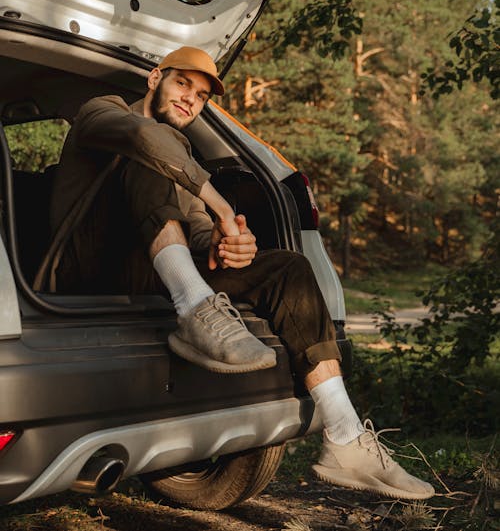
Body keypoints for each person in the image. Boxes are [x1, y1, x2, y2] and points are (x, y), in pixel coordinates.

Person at [43, 46, 434, 500]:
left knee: (289, 269)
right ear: (155, 79)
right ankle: (193, 307)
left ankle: (345, 437)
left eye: (203, 94)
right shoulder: (101, 111)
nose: (191, 98)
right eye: (182, 83)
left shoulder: (184, 163)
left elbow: (199, 233)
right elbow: (145, 141)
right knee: (148, 147)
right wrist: (224, 206)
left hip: (145, 273)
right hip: (82, 272)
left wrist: (229, 247)